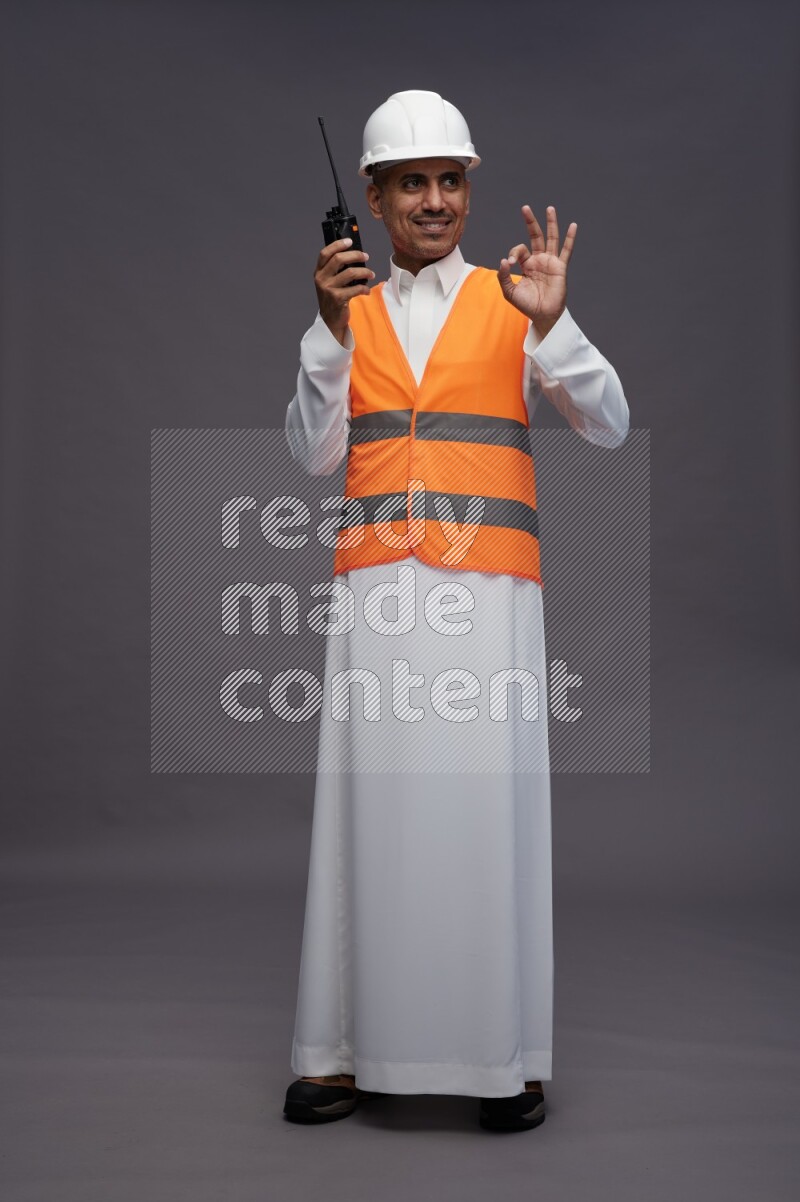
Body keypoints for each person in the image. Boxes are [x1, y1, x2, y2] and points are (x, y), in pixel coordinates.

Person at [282, 90, 629, 1132]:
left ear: (465, 191)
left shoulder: (515, 298)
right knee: (368, 813)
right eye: (412, 183)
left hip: (487, 597)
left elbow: (608, 424)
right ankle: (341, 1052)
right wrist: (325, 334)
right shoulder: (347, 312)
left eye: (449, 180)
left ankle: (500, 1055)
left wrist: (555, 325)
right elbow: (311, 455)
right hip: (378, 596)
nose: (434, 200)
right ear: (374, 199)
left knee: (487, 814)